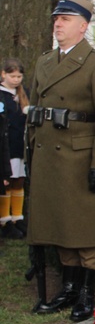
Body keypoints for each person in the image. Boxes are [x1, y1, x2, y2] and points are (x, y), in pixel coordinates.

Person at [27, 0, 95, 321]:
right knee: (59, 223)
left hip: (79, 157)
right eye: (56, 18)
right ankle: (67, 289)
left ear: (83, 26)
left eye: (65, 19)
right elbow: (37, 111)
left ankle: (85, 292)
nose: (58, 24)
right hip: (48, 156)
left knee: (84, 226)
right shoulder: (44, 62)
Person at [0, 58, 28, 239]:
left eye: (19, 76)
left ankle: (18, 218)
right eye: (13, 76)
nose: (16, 79)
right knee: (6, 182)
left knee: (18, 180)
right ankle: (5, 221)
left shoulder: (22, 95)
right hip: (6, 147)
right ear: (3, 74)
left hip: (19, 146)